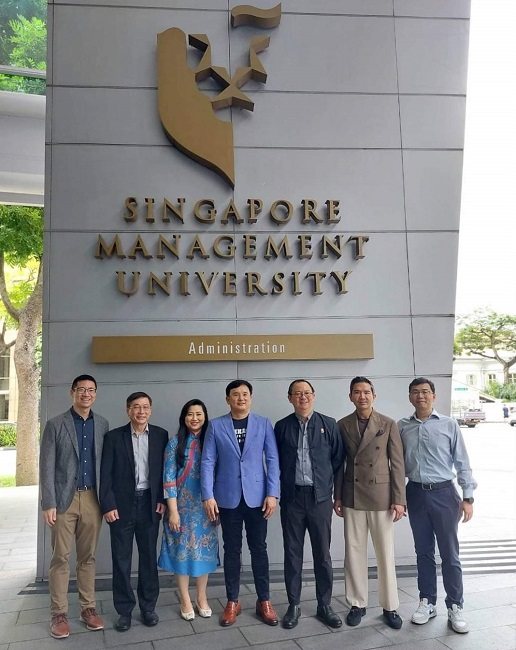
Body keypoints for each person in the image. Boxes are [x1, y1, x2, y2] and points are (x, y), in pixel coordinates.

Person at [398, 377, 477, 634]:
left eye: (425, 391)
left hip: (445, 494)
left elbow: (462, 462)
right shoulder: (402, 426)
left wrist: (468, 497)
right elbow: (396, 465)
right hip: (415, 493)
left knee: (450, 554)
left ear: (433, 395)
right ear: (410, 397)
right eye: (415, 392)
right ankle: (427, 602)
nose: (420, 396)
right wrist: (397, 497)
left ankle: (455, 605)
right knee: (423, 552)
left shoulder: (449, 424)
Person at [200, 379, 280, 627]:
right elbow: (207, 461)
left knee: (259, 549)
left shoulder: (263, 423)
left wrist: (273, 493)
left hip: (258, 498)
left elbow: (273, 459)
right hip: (227, 497)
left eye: (245, 394)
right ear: (228, 399)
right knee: (232, 550)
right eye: (236, 394)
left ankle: (264, 600)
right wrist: (208, 495)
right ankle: (232, 600)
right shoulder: (216, 425)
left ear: (251, 397)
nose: (241, 398)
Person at [39, 374, 109, 639]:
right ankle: (58, 614)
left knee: (87, 557)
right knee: (60, 557)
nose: (86, 394)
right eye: (81, 389)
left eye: (91, 390)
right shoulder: (55, 424)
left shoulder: (102, 424)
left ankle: (87, 609)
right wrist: (49, 503)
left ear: (96, 394)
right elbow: (46, 466)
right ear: (72, 392)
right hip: (63, 501)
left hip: (92, 499)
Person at [334, 376, 405, 630]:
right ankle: (357, 603)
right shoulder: (342, 424)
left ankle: (390, 606)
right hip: (352, 494)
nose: (362, 396)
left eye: (366, 392)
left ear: (374, 395)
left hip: (381, 496)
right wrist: (338, 496)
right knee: (353, 552)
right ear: (350, 396)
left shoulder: (388, 423)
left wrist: (399, 499)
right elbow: (339, 464)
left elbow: (397, 464)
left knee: (385, 553)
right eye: (357, 392)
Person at [274, 379, 345, 630]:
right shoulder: (281, 426)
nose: (302, 397)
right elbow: (274, 461)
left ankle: (324, 605)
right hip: (292, 499)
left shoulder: (329, 424)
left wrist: (332, 491)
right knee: (292, 553)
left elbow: (337, 460)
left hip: (320, 499)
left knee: (322, 554)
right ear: (290, 398)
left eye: (306, 393)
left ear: (313, 396)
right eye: (297, 393)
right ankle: (293, 605)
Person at [100, 391, 168, 632]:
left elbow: (164, 472)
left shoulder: (160, 435)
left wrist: (162, 499)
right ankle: (124, 610)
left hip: (150, 505)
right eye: (136, 407)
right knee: (121, 560)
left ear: (151, 410)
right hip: (121, 507)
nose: (141, 411)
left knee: (148, 558)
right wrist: (108, 505)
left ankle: (148, 607)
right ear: (128, 410)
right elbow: (105, 474)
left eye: (145, 407)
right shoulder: (113, 437)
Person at [158, 399, 219, 619]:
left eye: (199, 414)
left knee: (203, 553)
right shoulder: (175, 443)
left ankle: (201, 597)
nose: (195, 418)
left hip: (205, 508)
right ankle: (185, 598)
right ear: (184, 418)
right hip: (181, 508)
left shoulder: (211, 441)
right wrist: (173, 511)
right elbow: (168, 479)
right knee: (181, 553)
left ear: (205, 417)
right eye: (190, 414)